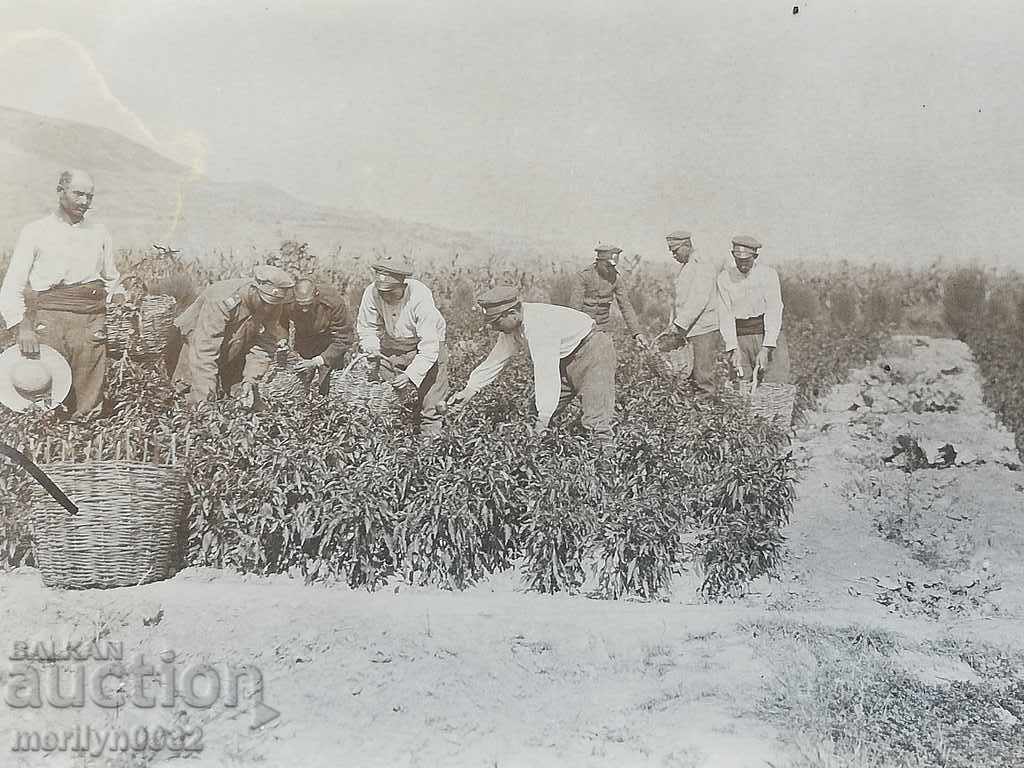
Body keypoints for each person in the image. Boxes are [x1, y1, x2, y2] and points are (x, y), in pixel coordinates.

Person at [0, 169, 126, 419]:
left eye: (89, 196)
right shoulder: (35, 231)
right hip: (50, 322)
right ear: (60, 191)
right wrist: (22, 326)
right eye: (78, 194)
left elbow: (112, 279)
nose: (84, 202)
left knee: (88, 403)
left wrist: (119, 295)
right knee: (47, 395)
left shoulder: (99, 232)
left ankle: (88, 450)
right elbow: (12, 286)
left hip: (91, 323)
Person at [448, 286, 616, 448]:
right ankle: (545, 455)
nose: (492, 327)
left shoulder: (539, 326)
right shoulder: (514, 325)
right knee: (534, 414)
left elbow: (546, 373)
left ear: (512, 313)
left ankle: (604, 470)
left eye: (495, 322)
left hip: (593, 352)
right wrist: (470, 390)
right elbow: (496, 359)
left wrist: (543, 420)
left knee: (596, 421)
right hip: (565, 356)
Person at [172, 265, 295, 404]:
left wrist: (250, 380)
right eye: (265, 302)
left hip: (234, 346)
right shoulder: (222, 299)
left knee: (242, 402)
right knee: (189, 398)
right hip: (193, 345)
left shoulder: (273, 304)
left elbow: (264, 344)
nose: (268, 308)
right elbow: (205, 351)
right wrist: (205, 402)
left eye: (273, 304)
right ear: (254, 289)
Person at [355, 253, 448, 437]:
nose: (386, 296)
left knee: (431, 398)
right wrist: (372, 347)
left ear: (402, 285)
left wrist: (410, 375)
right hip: (393, 342)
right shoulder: (372, 292)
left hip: (427, 344)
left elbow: (429, 347)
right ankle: (389, 436)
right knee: (385, 393)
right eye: (382, 292)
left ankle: (430, 442)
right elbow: (367, 327)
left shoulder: (420, 298)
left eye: (391, 292)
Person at [716, 236, 791, 384]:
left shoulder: (768, 275)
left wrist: (766, 348)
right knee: (742, 383)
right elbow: (725, 314)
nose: (742, 264)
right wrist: (733, 347)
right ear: (733, 256)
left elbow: (774, 310)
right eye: (739, 260)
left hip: (766, 334)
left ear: (755, 256)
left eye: (747, 260)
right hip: (741, 338)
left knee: (774, 383)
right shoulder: (725, 278)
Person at [657, 230, 723, 396]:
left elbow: (698, 300)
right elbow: (680, 301)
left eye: (675, 250)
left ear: (687, 245)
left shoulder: (702, 264)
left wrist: (679, 324)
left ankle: (707, 415)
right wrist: (673, 324)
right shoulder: (688, 266)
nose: (673, 255)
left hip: (703, 329)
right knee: (688, 374)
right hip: (689, 329)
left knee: (703, 376)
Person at [570, 242, 648, 347]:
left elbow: (626, 306)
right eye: (607, 265)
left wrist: (637, 332)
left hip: (603, 329)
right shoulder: (584, 276)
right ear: (598, 261)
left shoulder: (616, 278)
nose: (610, 269)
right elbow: (575, 309)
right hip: (583, 328)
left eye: (613, 266)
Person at [289, 278, 354, 396]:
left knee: (327, 384)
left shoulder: (334, 302)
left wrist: (318, 360)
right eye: (300, 305)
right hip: (305, 339)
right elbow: (279, 322)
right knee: (300, 380)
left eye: (308, 304)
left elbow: (344, 338)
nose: (304, 309)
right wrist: (282, 339)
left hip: (329, 341)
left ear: (316, 295)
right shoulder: (288, 300)